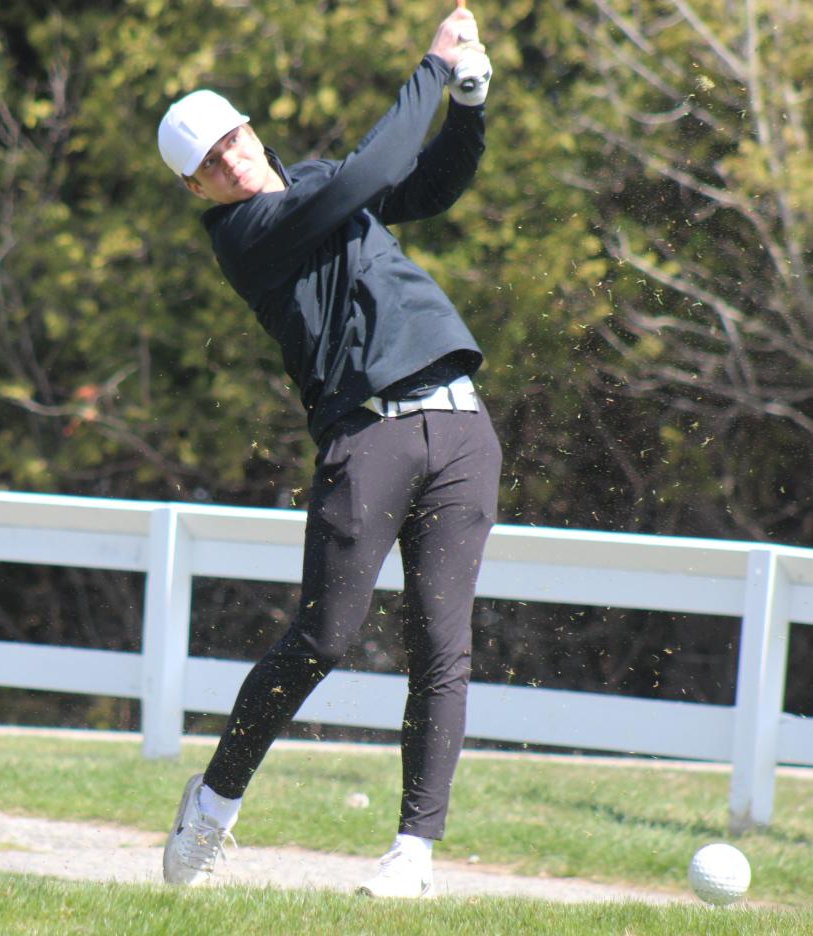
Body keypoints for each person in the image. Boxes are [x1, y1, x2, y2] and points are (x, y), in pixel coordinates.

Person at [156, 6, 500, 899]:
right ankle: (213, 804)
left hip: (461, 425)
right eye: (210, 164)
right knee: (327, 637)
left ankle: (413, 854)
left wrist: (468, 101)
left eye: (232, 140)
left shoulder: (314, 183)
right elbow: (379, 166)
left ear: (250, 130)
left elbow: (426, 187)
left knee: (443, 645)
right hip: (369, 435)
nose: (231, 160)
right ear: (199, 190)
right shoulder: (248, 235)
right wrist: (432, 61)